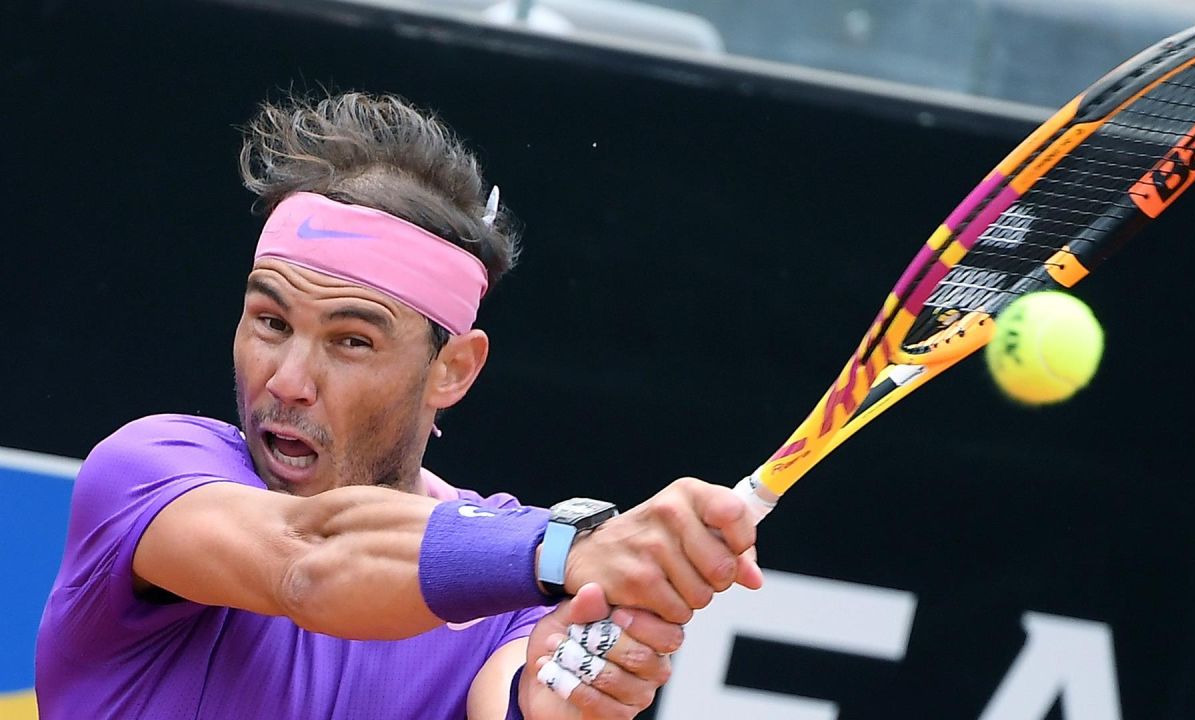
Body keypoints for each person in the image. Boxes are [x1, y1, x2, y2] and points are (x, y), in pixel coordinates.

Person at [35, 91, 763, 720]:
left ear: (453, 369)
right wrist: (569, 546)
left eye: (350, 341)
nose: (288, 380)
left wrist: (556, 704)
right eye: (272, 323)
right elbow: (310, 559)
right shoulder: (147, 474)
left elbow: (519, 692)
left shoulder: (514, 588)